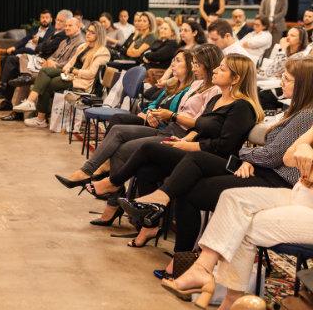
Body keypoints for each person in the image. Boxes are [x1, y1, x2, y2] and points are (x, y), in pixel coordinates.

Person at [121, 58, 313, 259]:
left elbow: (271, 155)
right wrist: (248, 159)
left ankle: (157, 212)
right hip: (258, 169)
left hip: (274, 180)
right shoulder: (295, 112)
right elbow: (267, 153)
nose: (282, 82)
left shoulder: (305, 115)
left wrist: (243, 155)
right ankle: (175, 244)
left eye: (287, 79)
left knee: (185, 170)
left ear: (303, 85)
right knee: (181, 170)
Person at [161, 109, 313, 310]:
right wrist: (304, 147)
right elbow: (288, 157)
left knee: (243, 223)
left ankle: (229, 300)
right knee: (232, 199)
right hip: (301, 195)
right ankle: (203, 269)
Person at [91, 54, 262, 246]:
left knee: (149, 147)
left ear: (236, 78)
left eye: (221, 69)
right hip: (195, 149)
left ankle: (113, 183)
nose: (215, 70)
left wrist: (188, 145)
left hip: (214, 159)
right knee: (146, 170)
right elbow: (199, 128)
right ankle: (149, 225)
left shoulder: (242, 107)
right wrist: (183, 140)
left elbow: (225, 146)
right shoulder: (216, 99)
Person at [55, 45, 223, 226]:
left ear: (208, 64)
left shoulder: (214, 91)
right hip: (169, 126)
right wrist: (156, 114)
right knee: (118, 130)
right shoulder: (197, 84)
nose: (194, 67)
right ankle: (88, 172)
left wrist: (171, 115)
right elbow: (163, 103)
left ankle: (113, 193)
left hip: (182, 134)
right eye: (193, 63)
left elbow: (199, 123)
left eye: (197, 64)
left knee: (123, 149)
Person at [13, 21, 110, 127]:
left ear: (99, 35)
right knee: (44, 71)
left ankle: (40, 119)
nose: (88, 33)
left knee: (47, 84)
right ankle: (30, 102)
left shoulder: (102, 52)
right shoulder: (83, 46)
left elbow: (90, 74)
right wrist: (68, 69)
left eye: (92, 32)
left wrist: (73, 70)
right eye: (88, 31)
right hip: (70, 75)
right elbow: (70, 63)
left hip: (82, 81)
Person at [0, 10, 59, 101]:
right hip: (24, 53)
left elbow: (49, 45)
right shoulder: (35, 29)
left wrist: (39, 40)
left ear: (51, 19)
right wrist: (14, 47)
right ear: (40, 18)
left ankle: (2, 87)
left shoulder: (53, 31)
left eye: (47, 18)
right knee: (7, 60)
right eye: (42, 17)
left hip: (36, 54)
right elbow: (24, 40)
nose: (44, 19)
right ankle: (2, 90)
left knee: (18, 54)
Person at [143, 18, 181, 85]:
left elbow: (157, 56)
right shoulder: (158, 41)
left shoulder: (172, 43)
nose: (162, 30)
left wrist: (147, 55)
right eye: (161, 28)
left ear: (172, 32)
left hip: (160, 73)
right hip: (150, 69)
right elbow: (144, 54)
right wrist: (149, 56)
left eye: (165, 29)